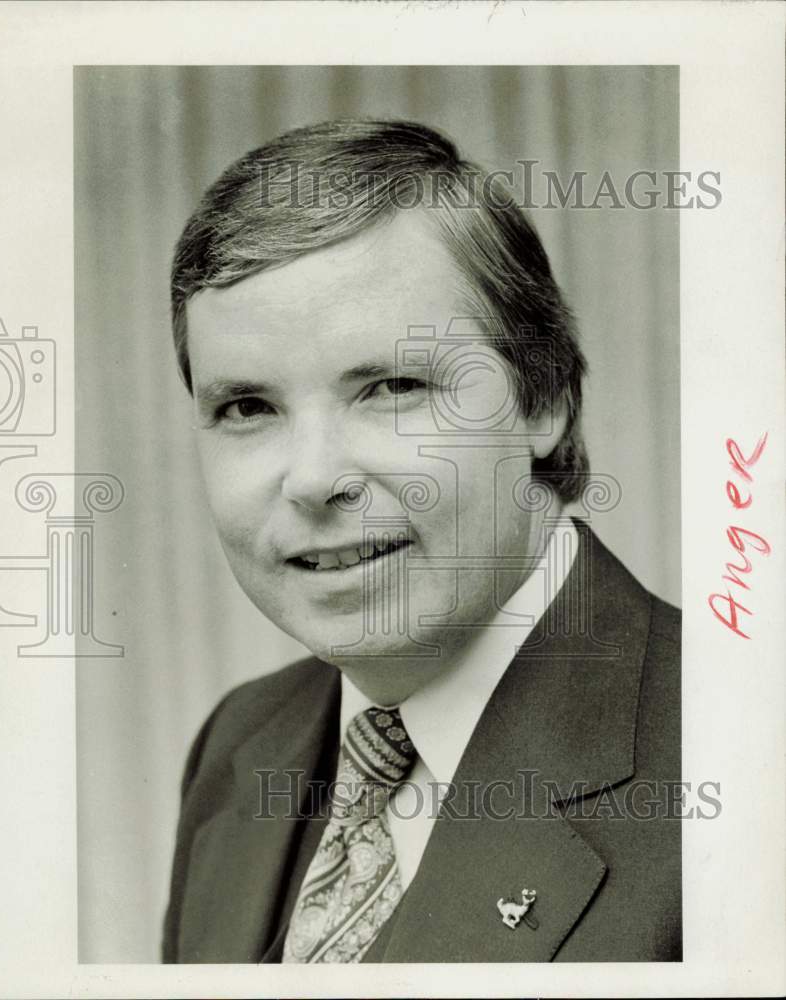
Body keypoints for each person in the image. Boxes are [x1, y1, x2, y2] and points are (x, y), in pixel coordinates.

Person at [162, 119, 681, 964]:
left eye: (393, 386)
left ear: (542, 397)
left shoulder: (743, 744)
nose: (311, 478)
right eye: (248, 408)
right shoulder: (240, 744)